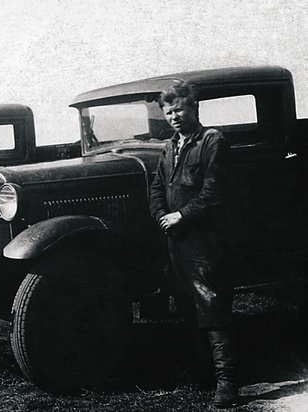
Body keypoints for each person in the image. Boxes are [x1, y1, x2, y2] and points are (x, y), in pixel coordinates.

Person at [149, 83, 236, 408]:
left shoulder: (212, 141)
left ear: (194, 108)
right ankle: (203, 375)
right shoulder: (169, 147)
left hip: (205, 242)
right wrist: (161, 215)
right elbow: (157, 188)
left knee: (213, 309)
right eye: (168, 112)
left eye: (179, 110)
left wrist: (181, 216)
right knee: (187, 308)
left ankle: (228, 384)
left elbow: (215, 192)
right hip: (177, 242)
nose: (174, 116)